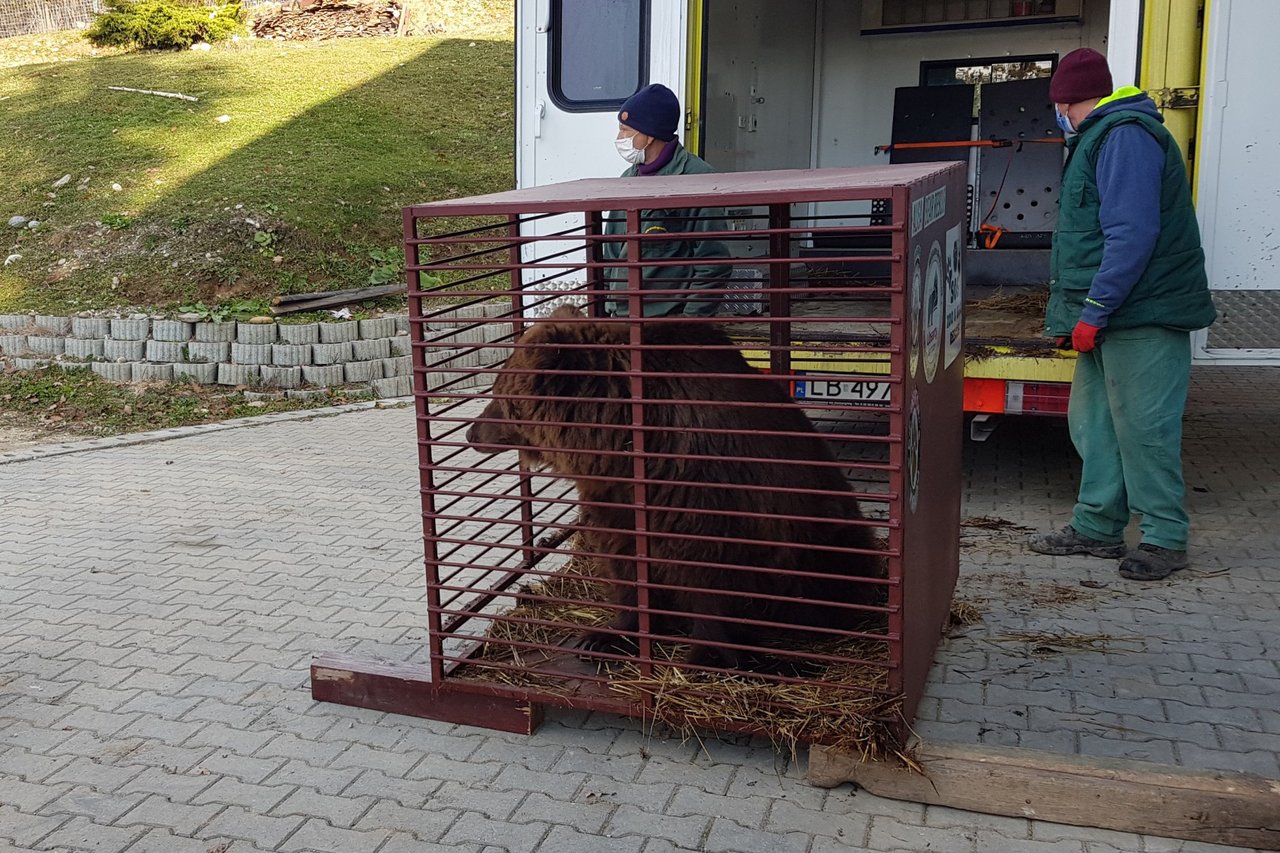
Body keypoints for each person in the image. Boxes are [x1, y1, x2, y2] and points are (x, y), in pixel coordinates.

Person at [1027, 48, 1217, 581]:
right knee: (1095, 425)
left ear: (1062, 100)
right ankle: (1096, 526)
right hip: (1110, 315)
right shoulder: (1099, 136)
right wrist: (1076, 317)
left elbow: (1132, 233)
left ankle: (1164, 538)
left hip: (1140, 314)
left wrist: (1095, 308)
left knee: (1144, 430)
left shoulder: (1125, 136)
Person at [600, 83, 732, 317]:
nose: (619, 138)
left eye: (625, 130)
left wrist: (688, 324)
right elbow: (610, 254)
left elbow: (713, 262)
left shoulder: (698, 179)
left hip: (667, 325)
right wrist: (610, 310)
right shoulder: (626, 181)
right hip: (621, 320)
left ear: (648, 135)